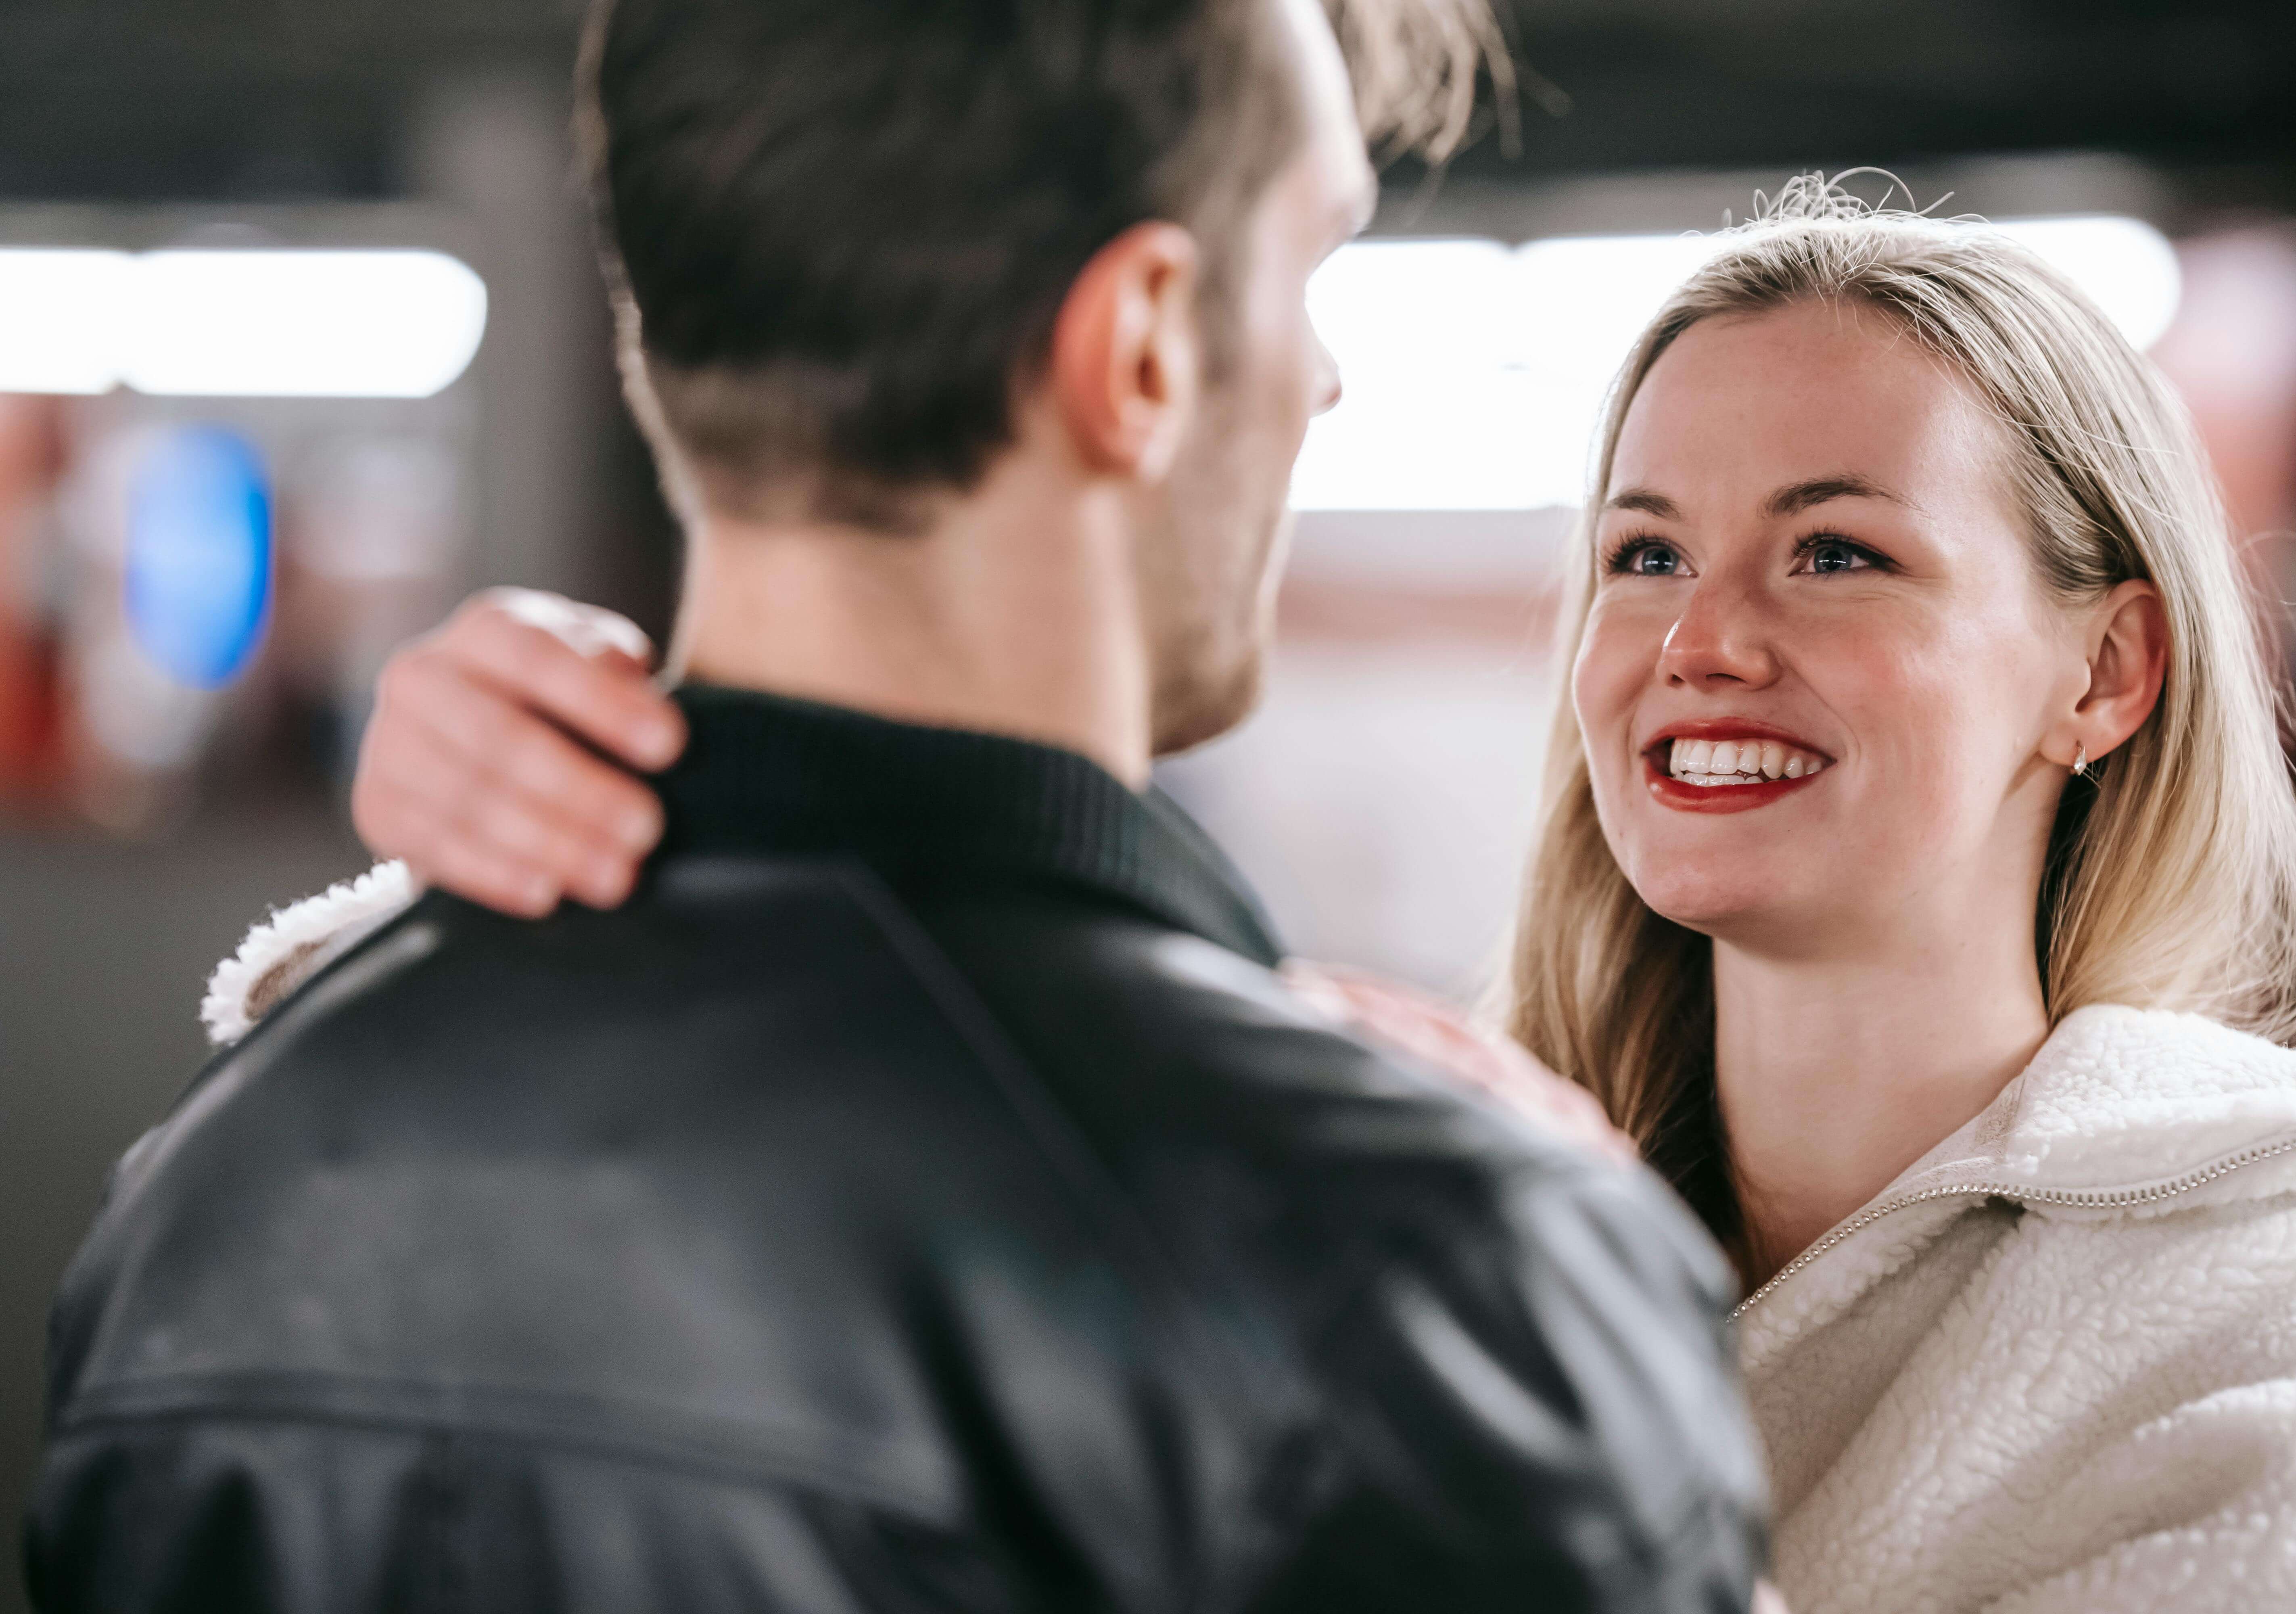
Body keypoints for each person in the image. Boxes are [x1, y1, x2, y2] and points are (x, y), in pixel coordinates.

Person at [272, 180, 2296, 1612]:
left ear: (2107, 667)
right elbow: (794, 1156)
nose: (1701, 639)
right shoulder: (1403, 1190)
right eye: (1646, 552)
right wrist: (554, 838)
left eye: (1838, 551)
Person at [26, 0, 1777, 1608]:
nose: (1322, 377)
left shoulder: (203, 1194)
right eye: (1311, 261)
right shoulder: (1416, 1272)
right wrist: (1581, 1295)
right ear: (1147, 345)